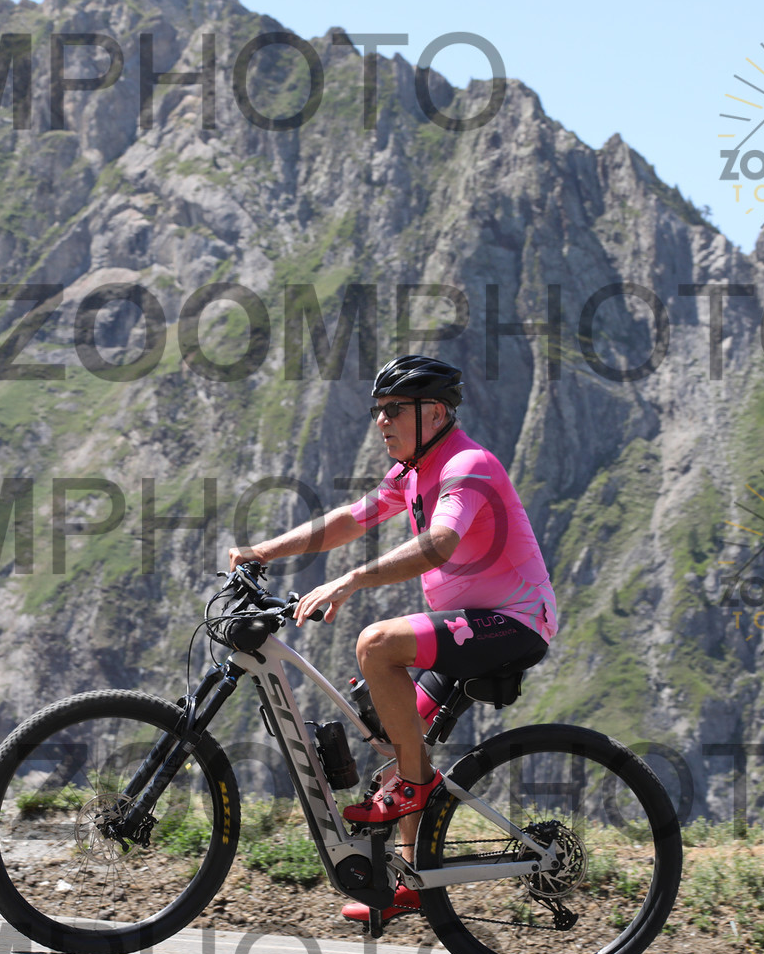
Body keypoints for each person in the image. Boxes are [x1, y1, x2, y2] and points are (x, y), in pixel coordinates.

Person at [226, 354, 559, 923]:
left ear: (436, 414)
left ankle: (413, 790)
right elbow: (349, 520)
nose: (381, 421)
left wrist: (353, 579)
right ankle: (413, 877)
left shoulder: (467, 465)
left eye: (395, 409)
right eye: (377, 410)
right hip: (474, 621)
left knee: (376, 644)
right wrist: (263, 551)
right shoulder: (411, 473)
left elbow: (440, 543)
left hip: (515, 620)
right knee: (395, 737)